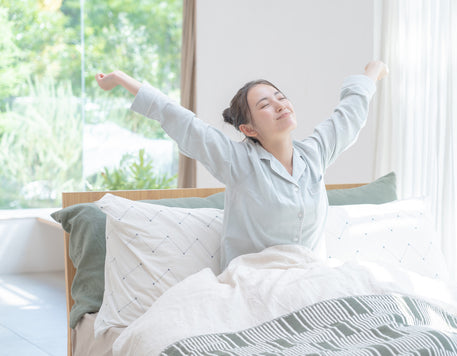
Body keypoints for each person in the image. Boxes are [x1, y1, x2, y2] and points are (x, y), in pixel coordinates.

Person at [95, 61, 389, 270]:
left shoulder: (315, 155)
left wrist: (371, 73)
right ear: (248, 129)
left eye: (280, 97)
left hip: (311, 282)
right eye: (265, 105)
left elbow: (348, 116)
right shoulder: (236, 161)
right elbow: (179, 119)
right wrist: (121, 78)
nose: (279, 105)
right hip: (253, 286)